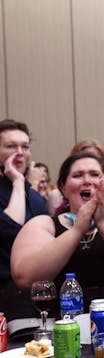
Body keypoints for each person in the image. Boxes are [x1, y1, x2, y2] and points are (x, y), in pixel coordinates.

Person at [10, 151, 104, 307]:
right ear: (63, 188)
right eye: (78, 175)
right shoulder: (43, 224)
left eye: (95, 175)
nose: (87, 181)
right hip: (61, 324)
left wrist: (102, 222)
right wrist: (77, 230)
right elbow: (25, 278)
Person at [0, 119, 48, 320]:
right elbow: (10, 229)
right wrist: (18, 181)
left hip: (32, 295)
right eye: (11, 146)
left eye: (25, 147)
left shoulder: (34, 197)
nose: (20, 152)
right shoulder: (20, 187)